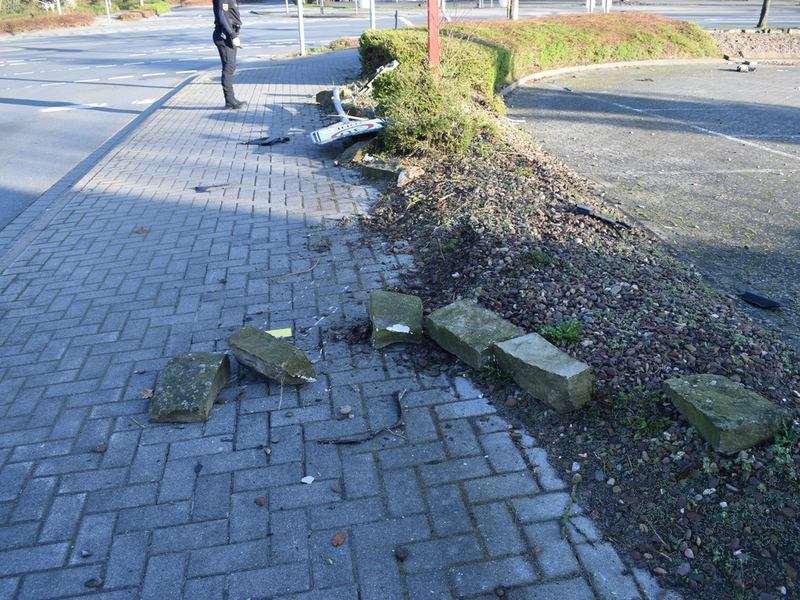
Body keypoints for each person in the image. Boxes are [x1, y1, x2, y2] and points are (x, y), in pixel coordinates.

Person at [212, 0, 247, 110]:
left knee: (231, 67)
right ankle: (230, 101)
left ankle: (231, 99)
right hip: (225, 36)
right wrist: (232, 35)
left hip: (229, 34)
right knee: (229, 67)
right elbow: (221, 16)